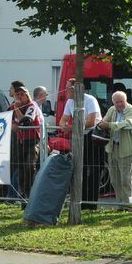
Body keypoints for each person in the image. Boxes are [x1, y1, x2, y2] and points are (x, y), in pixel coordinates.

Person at [59, 78, 102, 209]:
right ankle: (80, 201)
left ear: (75, 89)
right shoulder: (69, 102)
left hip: (92, 136)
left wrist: (71, 127)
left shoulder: (90, 100)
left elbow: (91, 121)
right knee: (79, 168)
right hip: (79, 137)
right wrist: (64, 126)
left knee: (93, 169)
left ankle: (92, 204)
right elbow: (63, 120)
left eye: (68, 88)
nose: (66, 91)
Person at [98, 90, 132, 207]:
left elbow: (128, 123)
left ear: (125, 101)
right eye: (117, 102)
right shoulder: (111, 109)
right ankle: (120, 204)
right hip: (112, 148)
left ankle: (127, 205)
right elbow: (104, 121)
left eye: (121, 101)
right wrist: (103, 124)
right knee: (114, 179)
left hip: (126, 149)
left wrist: (110, 125)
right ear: (113, 103)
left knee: (126, 179)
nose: (120, 104)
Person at [10, 85, 43, 200]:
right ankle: (24, 195)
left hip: (33, 142)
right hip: (20, 141)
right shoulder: (12, 107)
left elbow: (25, 122)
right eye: (17, 94)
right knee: (21, 169)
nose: (19, 96)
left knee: (30, 167)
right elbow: (5, 119)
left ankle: (31, 195)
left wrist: (16, 109)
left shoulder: (31, 106)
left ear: (27, 95)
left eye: (22, 94)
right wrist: (12, 124)